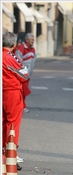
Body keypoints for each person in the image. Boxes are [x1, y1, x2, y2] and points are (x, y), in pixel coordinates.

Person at [2, 32, 29, 160]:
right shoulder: (10, 57)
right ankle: (11, 152)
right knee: (13, 123)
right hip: (11, 92)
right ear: (13, 44)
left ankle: (3, 149)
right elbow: (24, 75)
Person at [15, 33, 36, 113]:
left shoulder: (32, 49)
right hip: (22, 75)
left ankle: (21, 106)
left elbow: (33, 59)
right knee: (22, 92)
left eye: (33, 40)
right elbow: (18, 62)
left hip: (27, 75)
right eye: (31, 39)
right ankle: (21, 107)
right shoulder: (21, 48)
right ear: (27, 40)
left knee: (24, 92)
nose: (33, 41)